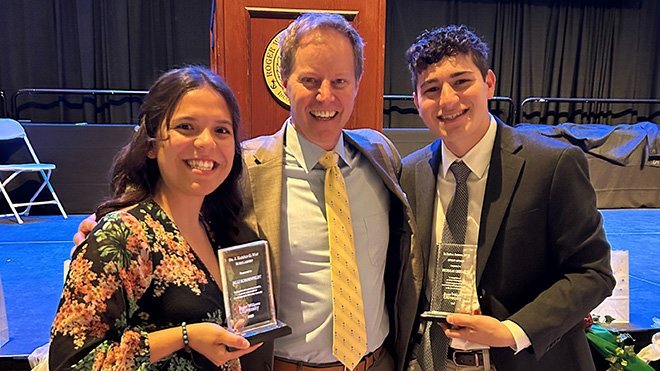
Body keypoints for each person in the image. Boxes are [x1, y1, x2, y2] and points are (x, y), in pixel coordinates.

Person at [400, 25, 615, 370]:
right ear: (416, 101)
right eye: (431, 89)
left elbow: (593, 272)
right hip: (431, 361)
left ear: (488, 83)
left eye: (461, 82)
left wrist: (511, 331)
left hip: (524, 360)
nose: (448, 100)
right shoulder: (410, 173)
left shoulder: (552, 164)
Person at [235, 13, 423, 371]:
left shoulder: (380, 154)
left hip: (378, 363)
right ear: (285, 80)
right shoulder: (243, 168)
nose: (325, 95)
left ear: (357, 83)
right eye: (310, 80)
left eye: (339, 81)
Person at [51, 66, 261, 370]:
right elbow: (70, 362)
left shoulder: (217, 229)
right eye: (187, 127)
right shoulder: (121, 236)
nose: (206, 143)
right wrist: (184, 337)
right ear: (151, 145)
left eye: (221, 130)